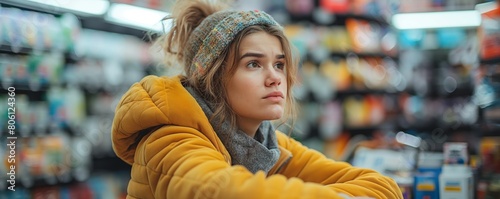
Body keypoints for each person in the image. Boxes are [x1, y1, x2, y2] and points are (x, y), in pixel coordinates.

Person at [111, 0, 404, 198]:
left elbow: (383, 186)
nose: (275, 77)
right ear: (212, 78)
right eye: (253, 64)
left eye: (279, 64)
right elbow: (225, 191)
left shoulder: (266, 144)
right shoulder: (169, 137)